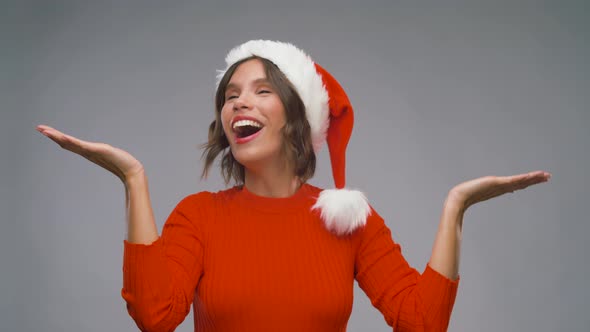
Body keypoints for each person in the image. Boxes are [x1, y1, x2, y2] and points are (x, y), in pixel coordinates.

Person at [36, 40, 550, 332]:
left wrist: (455, 209)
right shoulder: (199, 216)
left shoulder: (348, 222)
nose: (239, 102)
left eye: (262, 91)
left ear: (298, 118)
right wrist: (134, 179)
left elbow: (421, 322)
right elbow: (154, 315)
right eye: (231, 94)